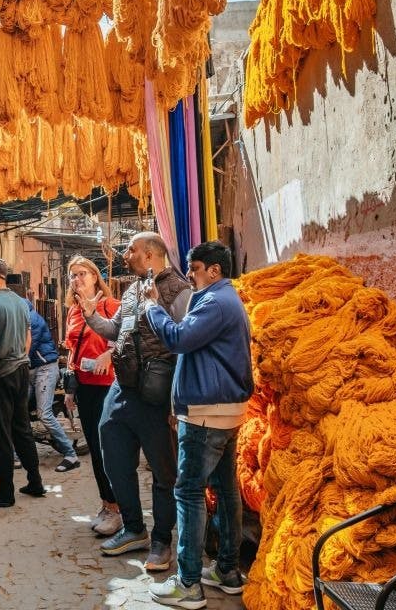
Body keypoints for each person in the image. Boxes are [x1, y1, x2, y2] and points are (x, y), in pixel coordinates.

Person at [143, 241, 253, 608]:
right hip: (223, 410)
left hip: (207, 412)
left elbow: (179, 338)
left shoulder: (215, 302)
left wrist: (152, 307)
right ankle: (228, 571)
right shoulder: (223, 299)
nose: (189, 275)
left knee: (188, 492)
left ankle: (188, 583)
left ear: (214, 271)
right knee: (225, 489)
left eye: (195, 268)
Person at [77, 232, 192, 572]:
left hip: (157, 394)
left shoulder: (179, 290)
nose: (125, 255)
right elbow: (115, 331)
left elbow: (187, 344)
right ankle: (133, 529)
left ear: (152, 255)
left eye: (131, 249)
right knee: (111, 453)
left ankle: (161, 542)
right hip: (123, 388)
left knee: (163, 472)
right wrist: (89, 315)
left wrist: (176, 403)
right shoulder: (130, 290)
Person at [0, 256, 45, 507]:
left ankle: (5, 492)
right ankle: (35, 481)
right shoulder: (20, 301)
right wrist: (20, 357)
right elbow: (28, 337)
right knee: (22, 429)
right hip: (20, 371)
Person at [63, 255, 122, 535]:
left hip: (108, 387)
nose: (77, 279)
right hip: (84, 387)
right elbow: (71, 351)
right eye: (73, 275)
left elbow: (127, 340)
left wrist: (109, 355)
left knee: (108, 450)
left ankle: (119, 509)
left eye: (83, 273)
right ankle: (106, 505)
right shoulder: (73, 311)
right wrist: (69, 388)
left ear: (96, 277)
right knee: (95, 454)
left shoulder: (111, 306)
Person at [25, 297, 80, 472]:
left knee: (44, 413)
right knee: (16, 409)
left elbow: (28, 348)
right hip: (30, 370)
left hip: (45, 369)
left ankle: (71, 454)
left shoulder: (32, 319)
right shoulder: (23, 317)